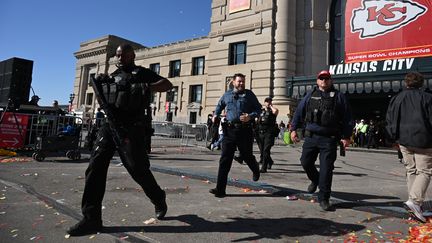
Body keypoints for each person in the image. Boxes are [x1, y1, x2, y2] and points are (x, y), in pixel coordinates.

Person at [67, 44, 173, 236]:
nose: (119, 59)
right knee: (95, 166)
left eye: (122, 55)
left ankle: (158, 197)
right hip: (109, 126)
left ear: (132, 56)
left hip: (130, 128)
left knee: (137, 170)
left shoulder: (141, 73)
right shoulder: (114, 75)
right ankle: (91, 219)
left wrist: (144, 87)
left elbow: (167, 85)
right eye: (117, 56)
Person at [290, 70, 353, 211]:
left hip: (329, 139)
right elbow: (298, 112)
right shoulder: (310, 95)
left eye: (326, 78)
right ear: (317, 81)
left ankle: (324, 198)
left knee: (326, 170)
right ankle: (315, 179)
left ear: (331, 81)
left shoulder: (339, 97)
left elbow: (348, 118)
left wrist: (346, 136)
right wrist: (293, 129)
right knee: (305, 162)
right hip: (311, 137)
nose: (324, 81)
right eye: (321, 78)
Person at [386, 72, 432, 223]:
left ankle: (414, 203)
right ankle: (415, 201)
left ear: (406, 83)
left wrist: (393, 138)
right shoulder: (427, 98)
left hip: (404, 140)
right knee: (425, 171)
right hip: (423, 140)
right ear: (421, 84)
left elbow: (390, 119)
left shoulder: (397, 98)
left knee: (411, 170)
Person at [209, 73, 261, 197]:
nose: (241, 83)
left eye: (243, 81)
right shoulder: (227, 95)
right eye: (239, 81)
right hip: (229, 131)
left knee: (247, 156)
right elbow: (220, 105)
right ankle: (220, 189)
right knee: (225, 160)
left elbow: (258, 109)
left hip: (245, 131)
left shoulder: (249, 95)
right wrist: (215, 114)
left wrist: (250, 116)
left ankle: (255, 169)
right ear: (233, 82)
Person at [256, 97, 279, 172]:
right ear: (264, 102)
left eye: (269, 101)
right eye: (267, 102)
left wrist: (271, 106)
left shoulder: (273, 110)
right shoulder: (261, 111)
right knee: (263, 151)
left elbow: (275, 111)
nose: (268, 103)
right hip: (260, 133)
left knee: (266, 150)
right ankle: (270, 161)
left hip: (269, 133)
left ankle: (263, 168)